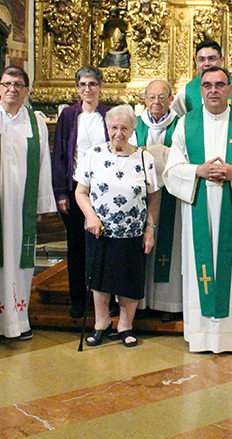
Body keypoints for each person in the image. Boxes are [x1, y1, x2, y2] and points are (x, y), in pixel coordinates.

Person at [163, 66, 232, 353]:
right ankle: (201, 334)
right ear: (200, 90)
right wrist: (197, 170)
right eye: (208, 85)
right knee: (201, 265)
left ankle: (231, 334)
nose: (214, 90)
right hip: (198, 203)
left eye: (220, 85)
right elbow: (171, 170)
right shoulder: (187, 124)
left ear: (230, 89)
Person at [0, 66, 55, 340]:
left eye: (18, 84)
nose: (12, 89)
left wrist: (42, 204)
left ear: (26, 90)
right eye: (6, 83)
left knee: (19, 262)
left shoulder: (36, 122)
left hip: (22, 205)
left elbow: (44, 163)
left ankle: (17, 321)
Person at [74, 105, 161, 347]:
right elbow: (81, 192)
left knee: (129, 279)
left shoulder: (144, 158)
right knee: (100, 280)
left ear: (133, 129)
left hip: (133, 232)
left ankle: (125, 325)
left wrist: (149, 230)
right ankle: (101, 323)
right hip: (100, 230)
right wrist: (91, 217)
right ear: (107, 128)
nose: (118, 133)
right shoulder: (93, 154)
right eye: (114, 127)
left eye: (124, 128)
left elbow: (153, 198)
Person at [52, 67, 111, 319]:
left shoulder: (108, 115)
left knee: (106, 246)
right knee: (77, 247)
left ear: (100, 86)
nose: (87, 89)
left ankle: (106, 299)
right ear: (77, 88)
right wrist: (61, 193)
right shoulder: (68, 115)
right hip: (76, 189)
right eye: (82, 84)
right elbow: (61, 155)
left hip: (107, 190)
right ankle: (79, 299)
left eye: (92, 84)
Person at [131, 79, 182, 322]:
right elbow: (127, 154)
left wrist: (150, 152)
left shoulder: (181, 126)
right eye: (151, 97)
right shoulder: (133, 124)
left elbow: (183, 157)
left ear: (171, 100)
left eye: (162, 97)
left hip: (171, 196)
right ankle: (138, 303)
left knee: (168, 248)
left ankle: (166, 303)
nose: (156, 102)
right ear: (144, 99)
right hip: (139, 197)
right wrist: (159, 152)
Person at [172, 40, 232, 125]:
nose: (206, 63)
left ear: (222, 60)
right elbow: (176, 122)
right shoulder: (186, 91)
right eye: (201, 59)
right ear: (195, 62)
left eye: (211, 59)